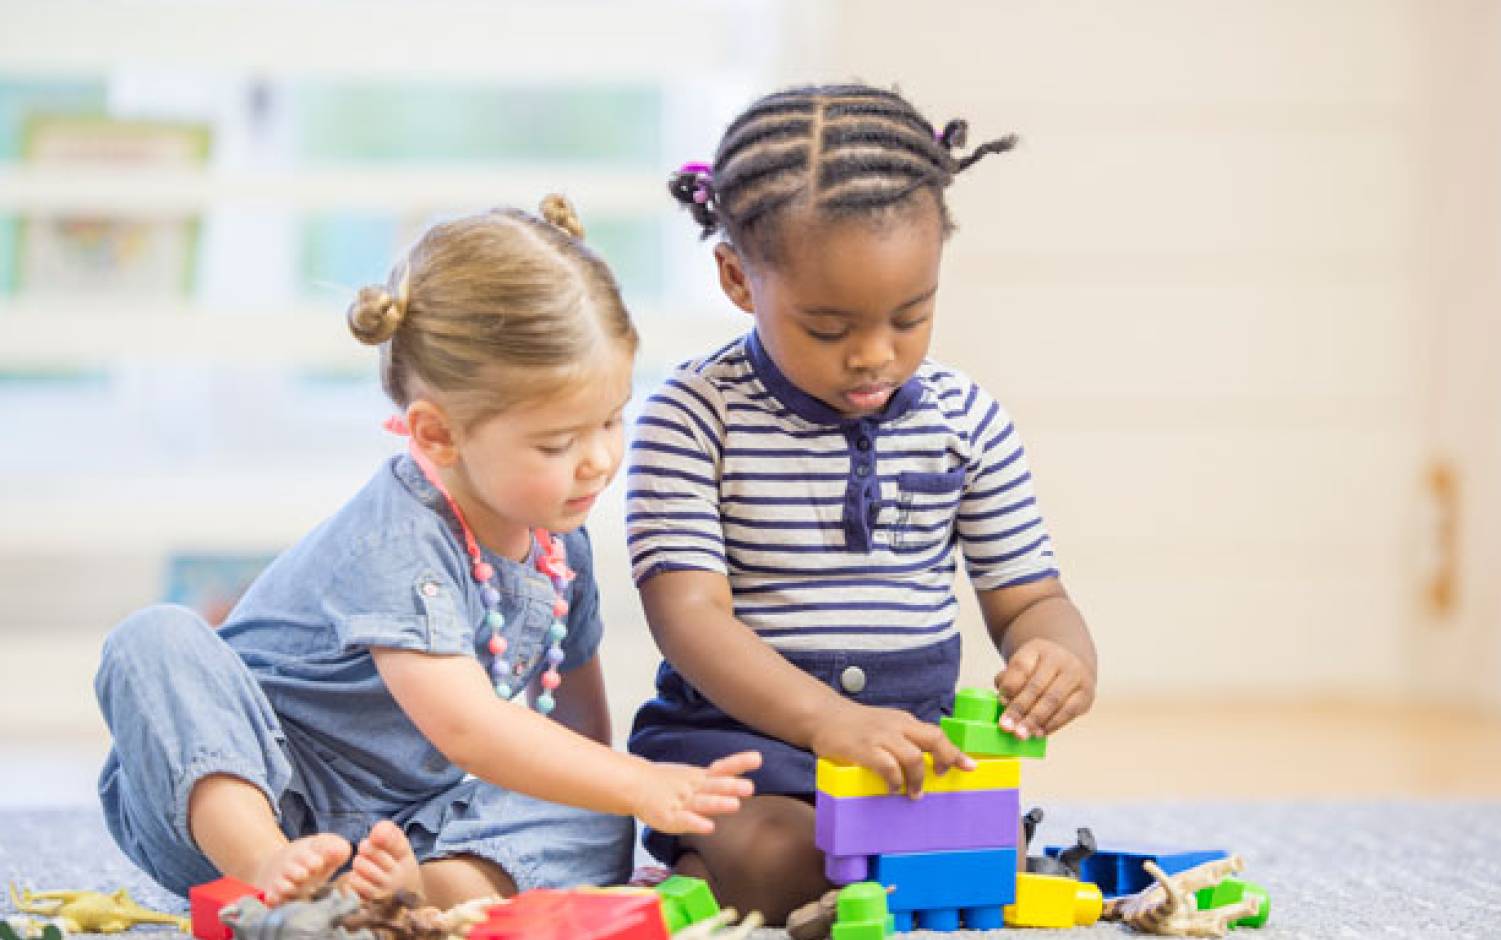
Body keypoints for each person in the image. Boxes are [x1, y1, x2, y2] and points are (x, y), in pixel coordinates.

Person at [94, 195, 760, 909]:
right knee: (151, 639)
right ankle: (273, 870)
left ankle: (412, 894)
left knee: (594, 811)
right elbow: (469, 729)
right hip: (224, 795)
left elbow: (575, 729)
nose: (598, 460)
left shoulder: (558, 534)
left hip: (395, 826)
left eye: (610, 419)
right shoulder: (400, 540)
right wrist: (641, 782)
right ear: (438, 435)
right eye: (557, 443)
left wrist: (618, 792)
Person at [624, 84, 1100, 921]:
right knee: (784, 862)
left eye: (910, 316)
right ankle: (699, 868)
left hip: (909, 752)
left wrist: (1061, 655)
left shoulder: (967, 419)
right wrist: (823, 721)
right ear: (739, 278)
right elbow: (688, 618)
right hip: (745, 747)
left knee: (982, 865)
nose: (875, 356)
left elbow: (1031, 599)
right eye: (828, 327)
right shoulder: (695, 414)